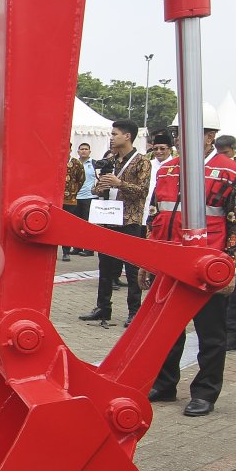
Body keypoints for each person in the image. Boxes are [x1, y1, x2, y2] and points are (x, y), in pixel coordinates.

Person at [145, 102, 236, 416]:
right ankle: (164, 385)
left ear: (210, 136)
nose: (180, 137)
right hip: (169, 263)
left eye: (190, 131)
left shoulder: (232, 171)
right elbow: (155, 216)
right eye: (178, 131)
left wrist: (232, 267)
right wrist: (149, 260)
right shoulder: (168, 168)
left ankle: (204, 393)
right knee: (167, 331)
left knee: (211, 334)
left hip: (208, 267)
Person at [79, 121, 150, 327]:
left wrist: (120, 184)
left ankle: (134, 311)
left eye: (115, 134)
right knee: (105, 266)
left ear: (127, 136)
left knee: (132, 269)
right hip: (108, 218)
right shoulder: (109, 160)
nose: (111, 137)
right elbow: (95, 189)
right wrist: (99, 186)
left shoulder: (141, 162)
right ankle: (103, 307)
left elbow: (142, 191)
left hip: (129, 220)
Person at [61, 148, 85, 260]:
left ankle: (66, 252)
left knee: (67, 227)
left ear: (70, 150)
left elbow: (81, 179)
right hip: (55, 200)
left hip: (70, 201)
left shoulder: (76, 163)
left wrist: (73, 192)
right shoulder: (56, 161)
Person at [73, 142, 97, 255]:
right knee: (77, 224)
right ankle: (77, 247)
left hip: (89, 197)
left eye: (86, 149)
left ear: (89, 151)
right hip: (76, 197)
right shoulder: (74, 163)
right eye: (81, 149)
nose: (83, 151)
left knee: (88, 224)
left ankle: (89, 249)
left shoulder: (94, 164)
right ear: (78, 151)